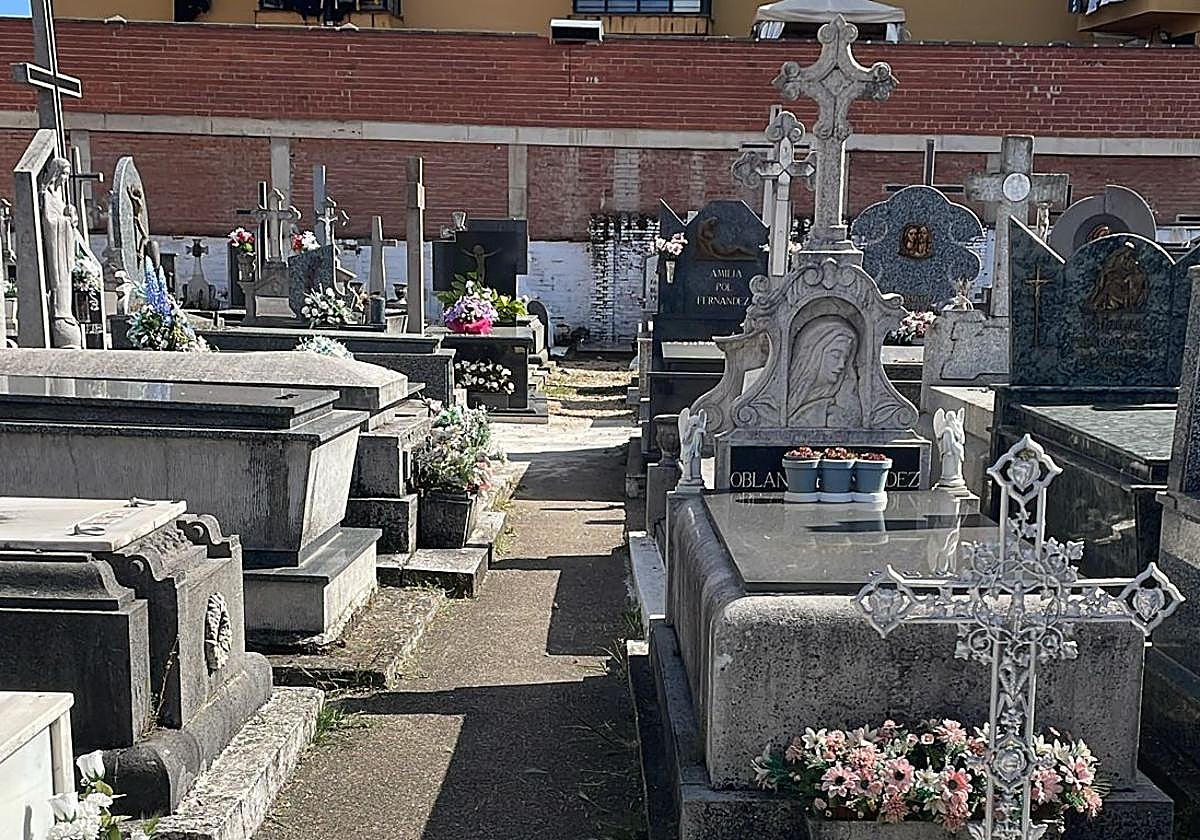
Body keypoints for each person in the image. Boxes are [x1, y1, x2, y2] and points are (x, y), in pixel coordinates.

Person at [787, 315, 862, 427]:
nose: (841, 365)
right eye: (835, 356)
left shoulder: (844, 399)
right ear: (814, 356)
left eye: (845, 359)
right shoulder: (786, 399)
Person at [40, 156, 84, 348]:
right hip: (56, 247)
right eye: (64, 174)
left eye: (67, 174)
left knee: (66, 278)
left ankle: (66, 314)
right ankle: (60, 314)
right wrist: (65, 221)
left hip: (65, 247)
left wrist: (70, 214)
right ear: (55, 173)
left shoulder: (59, 195)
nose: (66, 178)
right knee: (59, 280)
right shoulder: (47, 195)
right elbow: (50, 222)